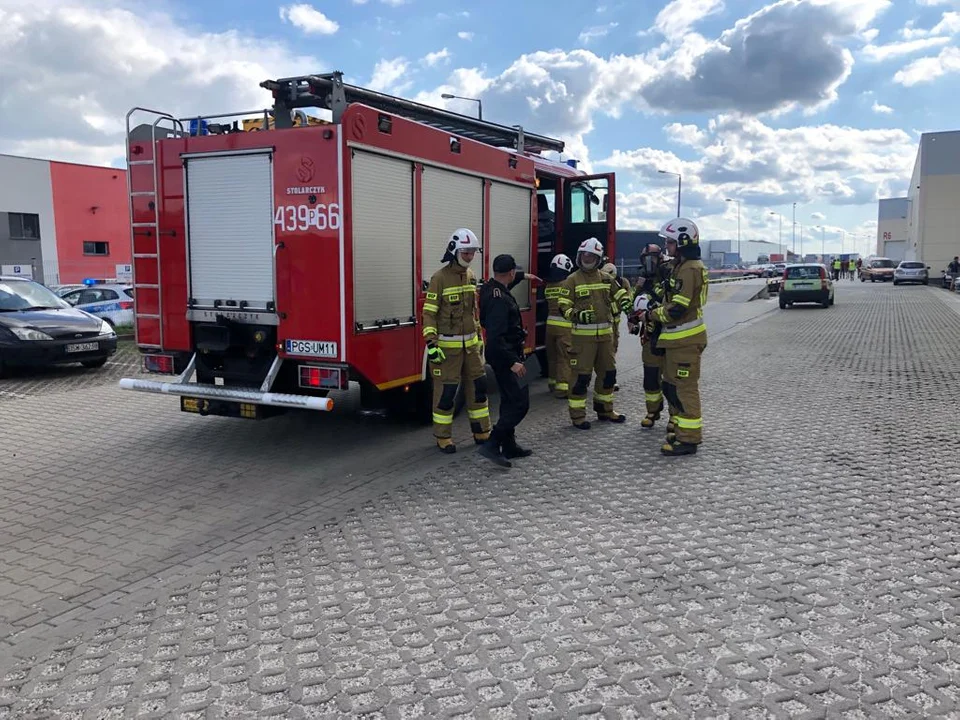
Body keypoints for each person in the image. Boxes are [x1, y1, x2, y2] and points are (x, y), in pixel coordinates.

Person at [421, 228, 491, 454]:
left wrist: (479, 341)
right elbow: (429, 313)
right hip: (447, 349)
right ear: (454, 250)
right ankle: (443, 437)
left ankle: (482, 432)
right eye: (466, 252)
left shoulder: (471, 276)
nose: (470, 256)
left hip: (471, 347)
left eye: (472, 252)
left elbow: (474, 313)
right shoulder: (439, 278)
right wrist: (431, 344)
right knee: (446, 394)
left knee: (479, 389)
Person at [643, 218, 708, 456]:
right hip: (676, 340)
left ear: (682, 242)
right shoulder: (681, 266)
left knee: (684, 389)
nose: (666, 247)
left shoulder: (690, 268)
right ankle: (681, 430)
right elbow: (670, 292)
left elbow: (677, 308)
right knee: (671, 387)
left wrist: (652, 314)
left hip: (685, 341)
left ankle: (689, 439)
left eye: (669, 242)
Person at [557, 237, 633, 429]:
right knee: (581, 378)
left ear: (599, 258)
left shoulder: (606, 279)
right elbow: (563, 308)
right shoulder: (571, 280)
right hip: (582, 340)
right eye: (584, 255)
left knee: (608, 375)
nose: (587, 258)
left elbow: (620, 294)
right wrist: (578, 315)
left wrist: (626, 303)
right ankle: (578, 416)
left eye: (591, 255)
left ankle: (605, 410)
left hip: (606, 338)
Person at [477, 254, 541, 467]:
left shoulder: (490, 287)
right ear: (511, 271)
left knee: (508, 399)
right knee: (520, 403)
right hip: (507, 357)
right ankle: (493, 443)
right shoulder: (500, 300)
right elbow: (494, 338)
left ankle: (509, 446)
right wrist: (512, 362)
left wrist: (526, 276)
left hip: (507, 355)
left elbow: (508, 280)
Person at [628, 243, 674, 431]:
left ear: (660, 258)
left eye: (652, 259)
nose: (649, 263)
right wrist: (632, 319)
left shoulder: (669, 276)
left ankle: (675, 416)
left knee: (671, 380)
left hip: (669, 335)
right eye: (645, 259)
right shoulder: (642, 280)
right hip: (649, 335)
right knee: (650, 377)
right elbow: (632, 304)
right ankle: (652, 411)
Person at [544, 254, 574, 399]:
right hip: (564, 327)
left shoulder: (549, 286)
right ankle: (562, 388)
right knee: (564, 357)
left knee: (552, 357)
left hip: (550, 326)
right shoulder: (567, 284)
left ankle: (552, 384)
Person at [600, 260, 634, 391]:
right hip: (605, 323)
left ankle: (609, 379)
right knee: (604, 352)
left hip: (614, 324)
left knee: (612, 351)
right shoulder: (602, 282)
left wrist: (631, 319)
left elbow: (627, 300)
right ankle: (605, 379)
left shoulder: (623, 283)